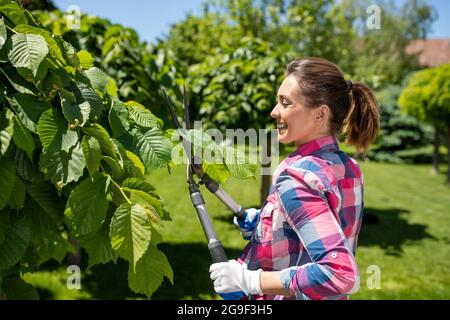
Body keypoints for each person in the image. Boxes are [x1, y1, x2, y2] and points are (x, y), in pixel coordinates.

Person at [209, 57, 380, 300]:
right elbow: (318, 231)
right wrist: (266, 222)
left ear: (320, 114)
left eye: (285, 103)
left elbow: (339, 274)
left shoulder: (297, 179)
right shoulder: (348, 167)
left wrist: (249, 280)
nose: (274, 111)